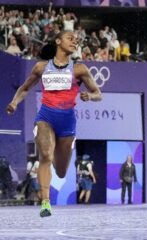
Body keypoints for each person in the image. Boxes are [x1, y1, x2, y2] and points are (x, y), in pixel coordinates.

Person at [6, 30, 102, 217]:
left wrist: (89, 96)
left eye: (76, 40)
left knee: (60, 171)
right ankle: (45, 203)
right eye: (70, 38)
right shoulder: (41, 67)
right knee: (46, 157)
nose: (75, 41)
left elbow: (98, 94)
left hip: (67, 122)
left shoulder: (79, 69)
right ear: (58, 41)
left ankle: (57, 172)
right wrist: (14, 102)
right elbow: (25, 88)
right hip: (46, 117)